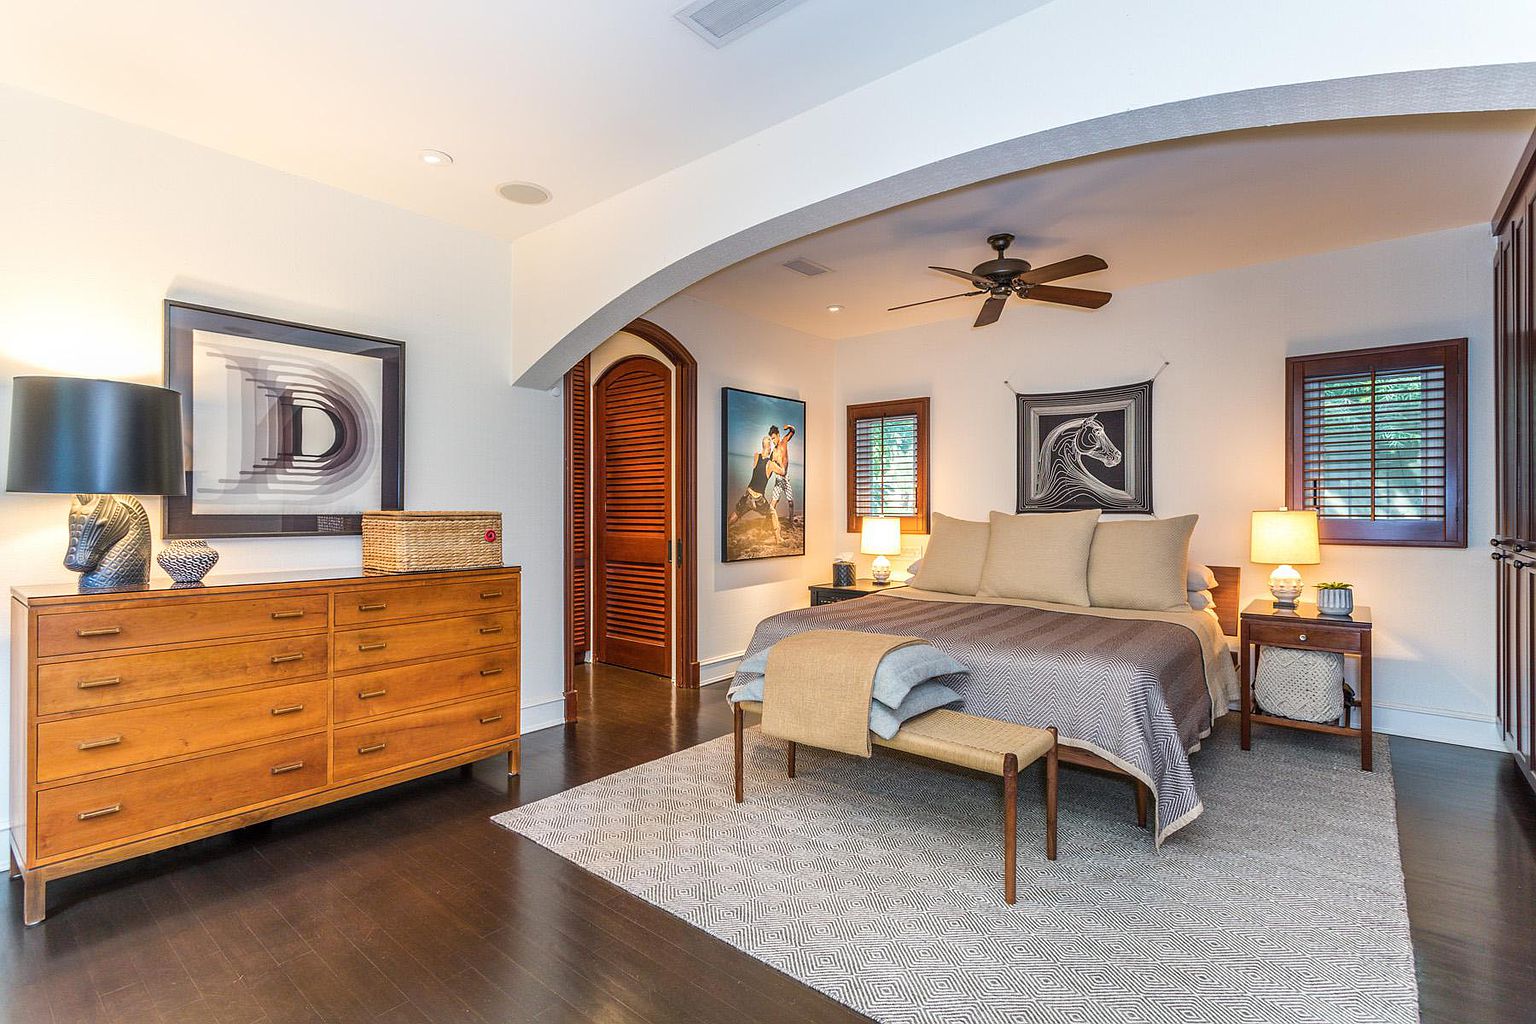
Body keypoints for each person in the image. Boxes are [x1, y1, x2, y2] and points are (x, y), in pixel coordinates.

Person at [726, 434, 780, 539]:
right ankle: (778, 538)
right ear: (769, 447)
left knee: (737, 513)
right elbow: (781, 472)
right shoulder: (771, 464)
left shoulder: (756, 456)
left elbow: (758, 466)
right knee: (772, 512)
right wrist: (777, 462)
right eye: (770, 447)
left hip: (748, 494)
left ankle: (725, 529)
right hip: (759, 499)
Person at [763, 423, 796, 535]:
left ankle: (791, 522)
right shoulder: (773, 453)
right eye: (771, 439)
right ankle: (767, 522)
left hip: (785, 478)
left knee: (790, 502)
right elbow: (769, 467)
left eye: (774, 438)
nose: (773, 441)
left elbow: (793, 431)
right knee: (774, 501)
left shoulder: (784, 442)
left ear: (778, 435)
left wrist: (789, 427)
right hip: (778, 478)